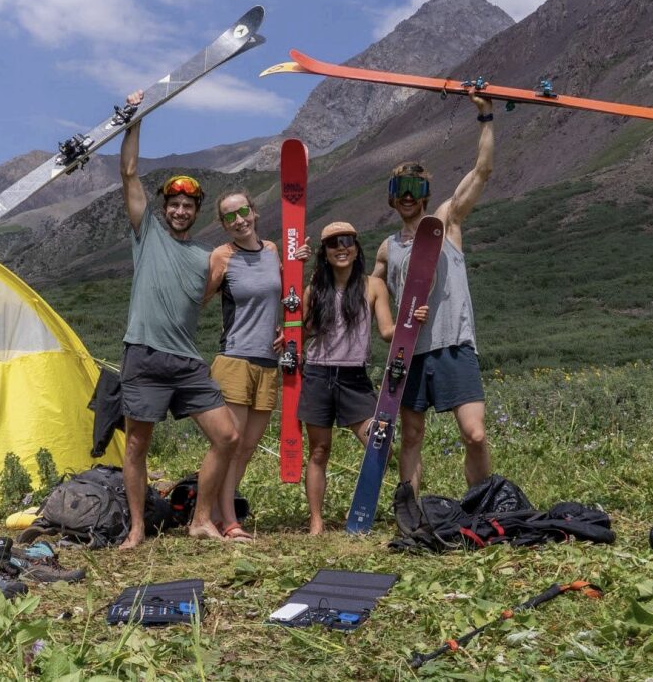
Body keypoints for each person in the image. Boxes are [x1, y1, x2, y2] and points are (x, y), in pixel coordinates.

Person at [117, 90, 241, 549]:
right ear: (165, 206)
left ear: (196, 212)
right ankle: (136, 529)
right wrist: (135, 118)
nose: (180, 210)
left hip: (186, 361)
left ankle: (201, 520)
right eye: (173, 203)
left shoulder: (207, 257)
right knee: (136, 445)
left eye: (188, 206)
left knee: (227, 436)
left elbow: (240, 285)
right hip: (144, 355)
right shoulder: (146, 232)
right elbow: (129, 171)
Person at [372, 94, 494, 496]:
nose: (408, 195)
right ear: (392, 196)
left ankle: (480, 501)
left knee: (475, 434)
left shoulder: (447, 223)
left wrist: (485, 116)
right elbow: (371, 287)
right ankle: (410, 507)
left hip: (454, 344)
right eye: (400, 188)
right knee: (410, 435)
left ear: (424, 193)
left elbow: (482, 170)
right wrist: (385, 325)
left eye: (415, 187)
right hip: (410, 351)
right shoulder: (387, 248)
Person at [297, 222, 425, 535]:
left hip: (354, 376)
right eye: (333, 244)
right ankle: (316, 521)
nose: (341, 248)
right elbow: (302, 331)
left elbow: (387, 331)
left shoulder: (373, 286)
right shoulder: (314, 289)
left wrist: (411, 320)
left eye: (347, 241)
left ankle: (374, 505)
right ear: (325, 253)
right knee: (318, 451)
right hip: (317, 373)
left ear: (356, 249)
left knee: (380, 444)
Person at [203, 189, 309, 541]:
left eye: (243, 211)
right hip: (234, 359)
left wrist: (283, 328)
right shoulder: (222, 255)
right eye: (229, 216)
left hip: (268, 362)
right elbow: (200, 297)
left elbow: (284, 297)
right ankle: (229, 521)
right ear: (223, 224)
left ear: (254, 212)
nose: (239, 220)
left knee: (247, 447)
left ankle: (216, 512)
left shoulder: (273, 250)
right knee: (230, 445)